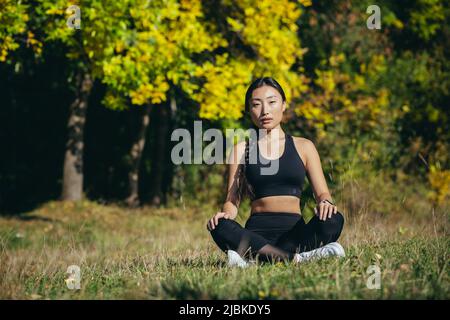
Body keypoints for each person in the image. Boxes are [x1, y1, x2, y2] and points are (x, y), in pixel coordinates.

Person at [206, 77, 345, 267]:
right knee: (219, 226)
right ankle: (295, 258)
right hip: (255, 234)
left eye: (272, 102)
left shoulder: (304, 146)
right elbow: (232, 200)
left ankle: (257, 259)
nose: (265, 111)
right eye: (256, 104)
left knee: (334, 219)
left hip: (295, 234)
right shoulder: (241, 149)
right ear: (249, 111)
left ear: (284, 105)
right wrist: (225, 215)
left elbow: (322, 193)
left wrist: (325, 203)